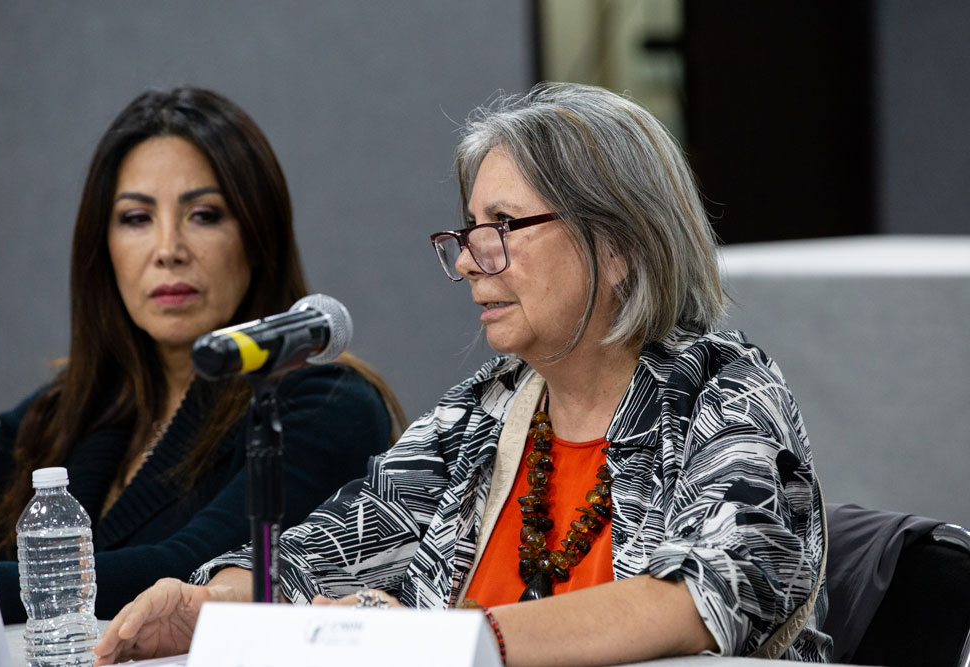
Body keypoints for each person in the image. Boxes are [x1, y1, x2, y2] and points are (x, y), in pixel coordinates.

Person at [94, 83, 830, 665]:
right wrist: (207, 601)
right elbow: (318, 554)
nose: (473, 261)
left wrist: (443, 639)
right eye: (467, 233)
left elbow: (698, 597)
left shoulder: (724, 394)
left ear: (619, 245)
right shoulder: (484, 414)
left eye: (502, 229)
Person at [0, 87, 404, 623]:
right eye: (136, 218)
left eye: (204, 215)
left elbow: (180, 572)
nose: (168, 248)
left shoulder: (325, 405)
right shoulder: (57, 412)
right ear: (101, 247)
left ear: (257, 236)